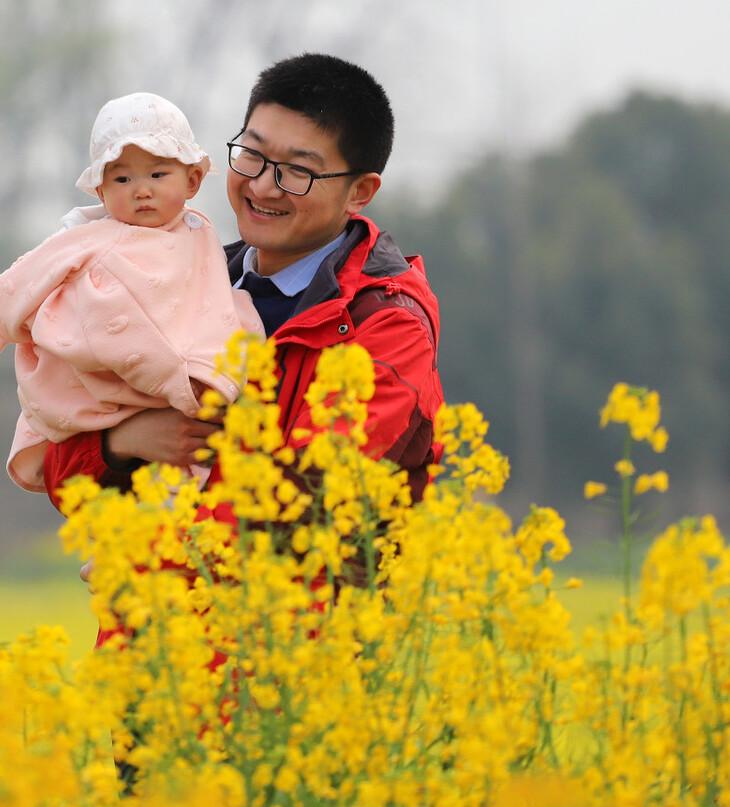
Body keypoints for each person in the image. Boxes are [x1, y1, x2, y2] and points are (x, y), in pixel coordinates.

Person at [41, 53, 444, 539]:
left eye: (298, 171)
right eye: (252, 155)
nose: (261, 186)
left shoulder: (385, 323)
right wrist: (120, 443)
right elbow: (59, 471)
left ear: (360, 191)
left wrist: (154, 554)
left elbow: (314, 500)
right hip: (156, 612)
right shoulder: (187, 272)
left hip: (288, 611)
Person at [0, 92, 262, 493]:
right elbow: (20, 285)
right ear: (101, 192)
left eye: (158, 175)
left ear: (191, 181)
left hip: (181, 392)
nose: (141, 190)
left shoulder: (200, 233)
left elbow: (211, 302)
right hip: (115, 380)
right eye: (122, 178)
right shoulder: (88, 238)